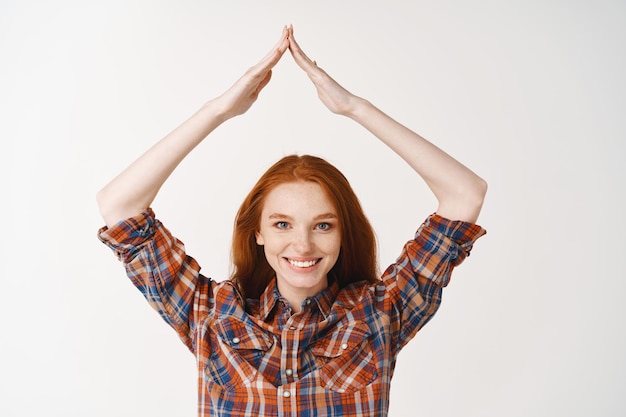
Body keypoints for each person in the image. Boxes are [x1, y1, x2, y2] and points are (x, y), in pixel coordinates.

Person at [97, 25, 487, 417]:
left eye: (323, 225)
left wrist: (356, 108)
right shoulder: (210, 314)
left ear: (342, 234)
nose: (302, 245)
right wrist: (217, 111)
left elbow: (465, 194)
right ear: (259, 233)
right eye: (283, 224)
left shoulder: (379, 314)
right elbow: (119, 204)